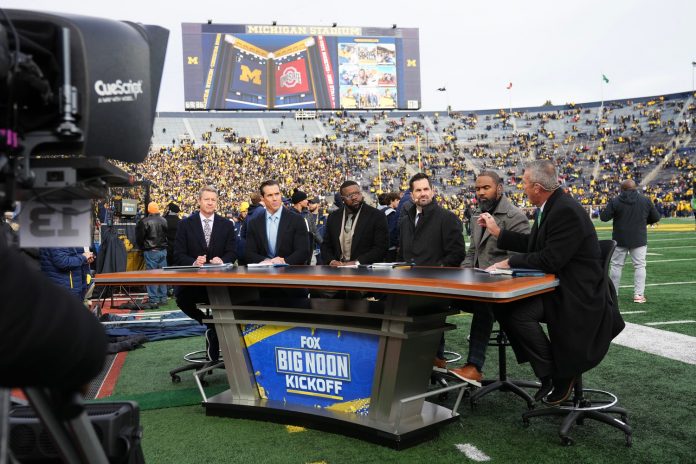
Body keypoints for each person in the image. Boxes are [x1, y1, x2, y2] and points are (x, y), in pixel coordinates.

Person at [481, 160, 624, 404]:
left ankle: (561, 374)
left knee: (517, 312)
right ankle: (550, 374)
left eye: (525, 184)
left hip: (578, 295)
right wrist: (499, 233)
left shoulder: (565, 210)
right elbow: (536, 245)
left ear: (537, 187)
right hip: (560, 287)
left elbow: (549, 259)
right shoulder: (552, 206)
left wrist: (510, 263)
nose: (522, 189)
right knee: (507, 308)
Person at [449, 171, 529, 383]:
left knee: (486, 303)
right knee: (438, 296)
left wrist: (489, 276)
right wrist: (462, 275)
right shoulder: (478, 215)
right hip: (477, 286)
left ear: (499, 189)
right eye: (478, 189)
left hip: (504, 291)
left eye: (486, 188)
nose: (481, 193)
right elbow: (472, 253)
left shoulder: (515, 217)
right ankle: (434, 358)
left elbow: (519, 260)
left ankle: (474, 366)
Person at [1, 236, 107, 389]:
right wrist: (83, 258)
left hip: (71, 285)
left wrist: (84, 259)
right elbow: (62, 261)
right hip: (65, 285)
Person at [398, 173, 466, 368]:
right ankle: (417, 368)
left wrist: (436, 273)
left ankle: (436, 364)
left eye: (426, 189)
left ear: (433, 191)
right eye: (418, 190)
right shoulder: (405, 221)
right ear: (412, 195)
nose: (423, 193)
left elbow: (456, 254)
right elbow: (402, 254)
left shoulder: (447, 218)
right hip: (409, 286)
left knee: (431, 332)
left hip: (436, 288)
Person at [173, 186, 237, 362]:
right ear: (199, 201)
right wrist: (193, 262)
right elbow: (178, 254)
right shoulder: (185, 224)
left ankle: (213, 330)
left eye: (213, 200)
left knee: (230, 302)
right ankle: (211, 325)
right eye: (207, 199)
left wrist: (222, 260)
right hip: (193, 284)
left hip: (220, 284)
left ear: (217, 203)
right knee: (182, 299)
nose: (210, 202)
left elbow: (233, 252)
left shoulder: (226, 224)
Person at [600, 179, 660, 303]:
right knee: (640, 266)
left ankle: (613, 293)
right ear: (635, 188)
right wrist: (643, 222)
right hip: (638, 238)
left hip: (620, 238)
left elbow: (604, 217)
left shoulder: (616, 201)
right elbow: (656, 217)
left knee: (616, 266)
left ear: (622, 189)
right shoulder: (645, 200)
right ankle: (638, 295)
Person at [321, 180, 388, 266]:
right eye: (349, 195)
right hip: (338, 271)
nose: (354, 197)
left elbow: (381, 248)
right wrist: (332, 261)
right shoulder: (333, 217)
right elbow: (326, 245)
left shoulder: (376, 215)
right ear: (342, 199)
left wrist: (357, 262)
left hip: (365, 270)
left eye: (357, 193)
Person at [246, 180, 310, 267]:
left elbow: (303, 251)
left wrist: (284, 261)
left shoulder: (297, 220)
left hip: (290, 273)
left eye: (277, 194)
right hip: (264, 274)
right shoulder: (254, 223)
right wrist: (267, 261)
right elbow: (249, 253)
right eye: (270, 195)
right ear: (262, 198)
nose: (275, 198)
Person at [136, 201, 169, 306]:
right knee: (162, 275)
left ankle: (154, 299)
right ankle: (163, 298)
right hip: (163, 251)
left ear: (149, 210)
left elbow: (140, 238)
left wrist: (142, 248)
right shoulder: (164, 220)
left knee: (151, 276)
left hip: (151, 251)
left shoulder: (144, 221)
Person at [164, 202, 181, 267]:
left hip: (166, 247)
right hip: (177, 247)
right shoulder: (180, 221)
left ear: (170, 210)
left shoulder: (164, 220)